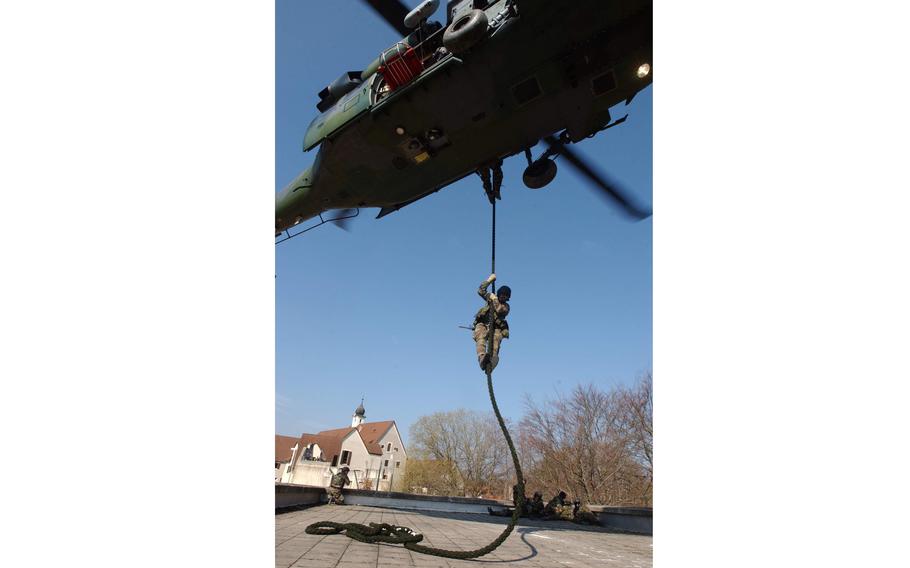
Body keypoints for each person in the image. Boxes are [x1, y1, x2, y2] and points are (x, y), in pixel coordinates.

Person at [472, 273, 511, 372]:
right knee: (480, 337)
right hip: (483, 324)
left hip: (496, 327)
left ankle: (492, 361)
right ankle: (482, 358)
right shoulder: (492, 298)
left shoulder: (506, 307)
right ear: (499, 294)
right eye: (502, 295)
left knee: (495, 341)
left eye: (506, 296)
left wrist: (494, 300)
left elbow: (499, 310)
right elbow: (480, 291)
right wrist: (489, 280)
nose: (503, 297)